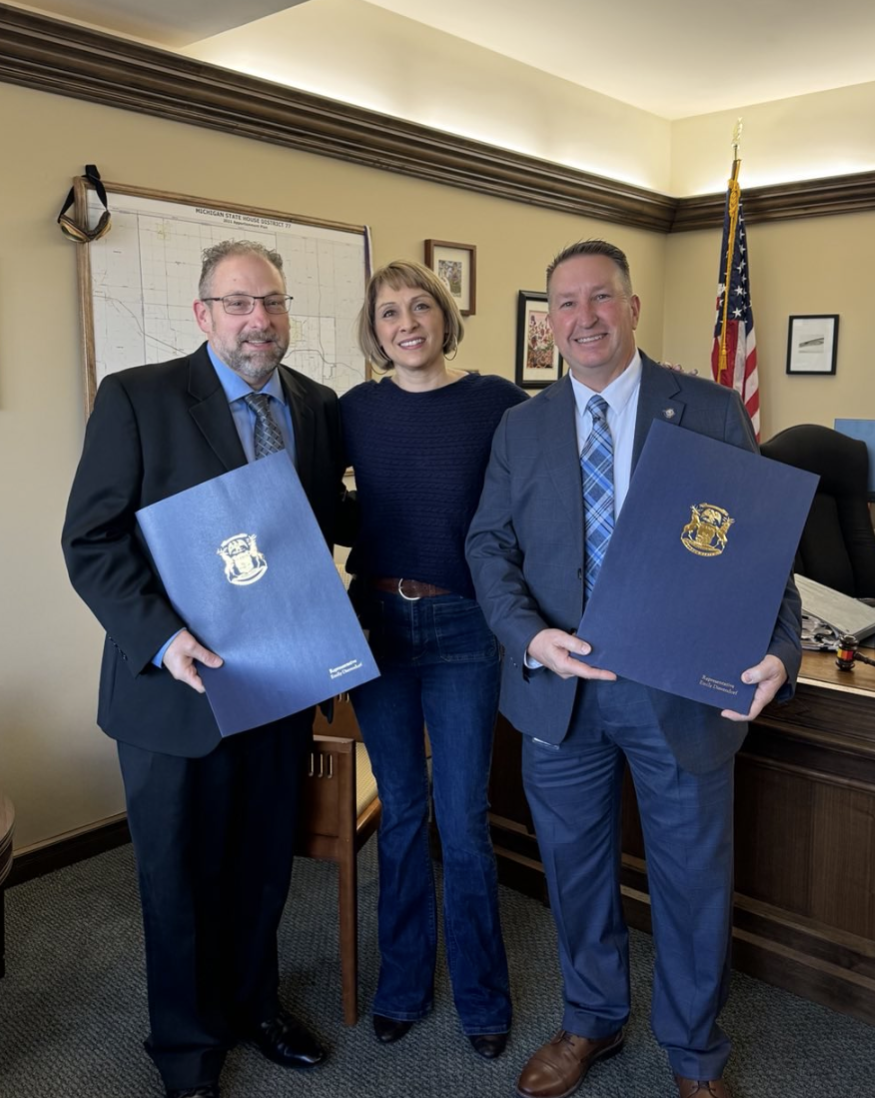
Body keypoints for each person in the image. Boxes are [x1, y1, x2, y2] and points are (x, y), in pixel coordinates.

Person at [465, 240, 801, 1098]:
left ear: (632, 306)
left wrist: (781, 650)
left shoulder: (709, 408)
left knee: (693, 882)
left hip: (678, 695)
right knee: (575, 876)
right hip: (560, 696)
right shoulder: (520, 423)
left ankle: (693, 1053)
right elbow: (488, 544)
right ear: (550, 322)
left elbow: (758, 544)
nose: (584, 318)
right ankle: (591, 1021)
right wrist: (526, 636)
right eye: (566, 304)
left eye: (600, 298)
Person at [62, 240, 350, 1098]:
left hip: (275, 684)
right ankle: (186, 1050)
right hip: (172, 690)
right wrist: (162, 636)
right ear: (203, 315)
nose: (257, 320)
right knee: (179, 878)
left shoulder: (316, 405)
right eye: (236, 304)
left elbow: (327, 520)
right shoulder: (138, 399)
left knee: (263, 864)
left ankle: (254, 1005)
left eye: (271, 302)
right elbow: (92, 540)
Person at [339, 260, 527, 1058]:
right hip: (376, 624)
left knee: (462, 817)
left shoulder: (495, 403)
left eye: (421, 306)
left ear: (446, 318)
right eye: (388, 312)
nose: (406, 321)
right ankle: (403, 987)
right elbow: (312, 501)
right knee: (401, 815)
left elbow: (532, 500)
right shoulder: (352, 411)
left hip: (462, 630)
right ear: (373, 331)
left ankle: (484, 998)